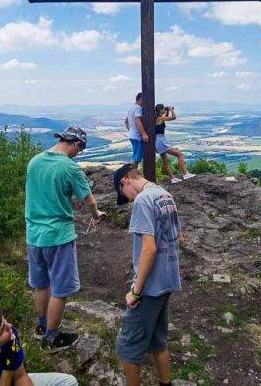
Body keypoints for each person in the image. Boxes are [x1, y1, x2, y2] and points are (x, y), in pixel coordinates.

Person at [25, 126, 105, 353]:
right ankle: (51, 339)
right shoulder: (70, 168)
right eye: (81, 149)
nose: (79, 154)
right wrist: (96, 215)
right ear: (77, 144)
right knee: (60, 289)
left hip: (33, 234)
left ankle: (41, 327)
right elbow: (88, 200)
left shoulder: (35, 161)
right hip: (58, 235)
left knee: (41, 284)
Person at [112, 164, 182, 386]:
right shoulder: (164, 194)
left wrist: (136, 290)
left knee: (126, 346)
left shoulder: (143, 200)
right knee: (157, 340)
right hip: (168, 279)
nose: (130, 200)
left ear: (125, 181)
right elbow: (178, 237)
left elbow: (149, 248)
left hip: (151, 286)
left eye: (125, 195)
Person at [154, 103, 195, 184]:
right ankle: (185, 174)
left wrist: (168, 110)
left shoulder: (157, 118)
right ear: (161, 110)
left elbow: (166, 117)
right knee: (179, 154)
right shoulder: (160, 118)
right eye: (163, 109)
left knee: (165, 161)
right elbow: (174, 117)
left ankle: (172, 178)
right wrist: (171, 109)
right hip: (160, 141)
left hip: (158, 141)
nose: (164, 110)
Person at [124, 92, 148, 166]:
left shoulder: (131, 108)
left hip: (132, 135)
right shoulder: (138, 108)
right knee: (137, 158)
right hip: (137, 137)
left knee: (136, 156)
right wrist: (144, 134)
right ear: (141, 99)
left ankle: (132, 175)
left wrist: (131, 130)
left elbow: (126, 122)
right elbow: (138, 121)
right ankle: (131, 175)